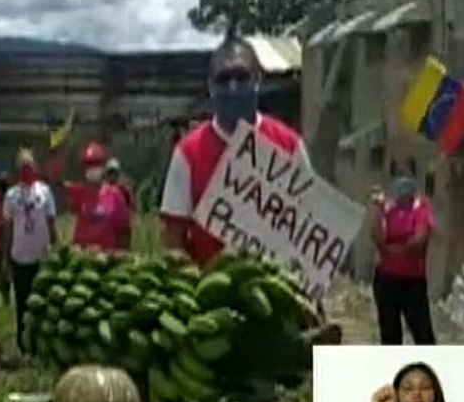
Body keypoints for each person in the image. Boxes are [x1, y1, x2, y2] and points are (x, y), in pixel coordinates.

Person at [160, 36, 309, 265]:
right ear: (211, 87)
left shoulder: (289, 145)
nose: (233, 88)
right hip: (209, 283)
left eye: (241, 77)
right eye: (223, 79)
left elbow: (310, 225)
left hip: (277, 280)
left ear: (258, 80)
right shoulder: (188, 153)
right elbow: (173, 238)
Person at [369, 157, 436, 345]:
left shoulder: (421, 208)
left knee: (424, 337)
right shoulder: (387, 209)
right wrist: (377, 209)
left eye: (407, 174)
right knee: (390, 338)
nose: (403, 180)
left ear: (414, 178)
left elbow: (418, 242)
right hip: (386, 281)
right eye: (399, 175)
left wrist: (390, 250)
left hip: (412, 283)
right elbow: (377, 237)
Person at [2, 148, 57, 354]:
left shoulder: (44, 192)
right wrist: (5, 258)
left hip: (41, 257)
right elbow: (7, 229)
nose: (26, 169)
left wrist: (57, 248)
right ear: (17, 170)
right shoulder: (11, 196)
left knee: (41, 304)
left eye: (29, 165)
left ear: (35, 167)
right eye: (22, 166)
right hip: (19, 258)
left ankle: (40, 344)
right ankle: (23, 345)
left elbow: (51, 222)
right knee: (22, 304)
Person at [64, 142, 131, 251]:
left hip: (106, 255)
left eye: (96, 164)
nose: (92, 168)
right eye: (89, 164)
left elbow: (125, 230)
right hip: (82, 254)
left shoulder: (115, 195)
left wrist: (122, 253)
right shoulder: (79, 192)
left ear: (103, 166)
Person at [0, 171, 12, 305]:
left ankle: (7, 296)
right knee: (2, 270)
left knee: (7, 269)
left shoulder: (11, 199)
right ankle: (6, 298)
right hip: (1, 240)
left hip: (11, 239)